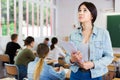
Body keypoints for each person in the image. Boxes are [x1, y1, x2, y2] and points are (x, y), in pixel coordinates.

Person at [65, 2, 113, 80]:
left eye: (84, 10)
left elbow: (109, 57)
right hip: (75, 74)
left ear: (92, 15)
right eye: (79, 10)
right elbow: (67, 56)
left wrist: (93, 64)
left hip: (94, 75)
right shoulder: (73, 34)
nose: (80, 13)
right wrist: (71, 59)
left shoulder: (103, 33)